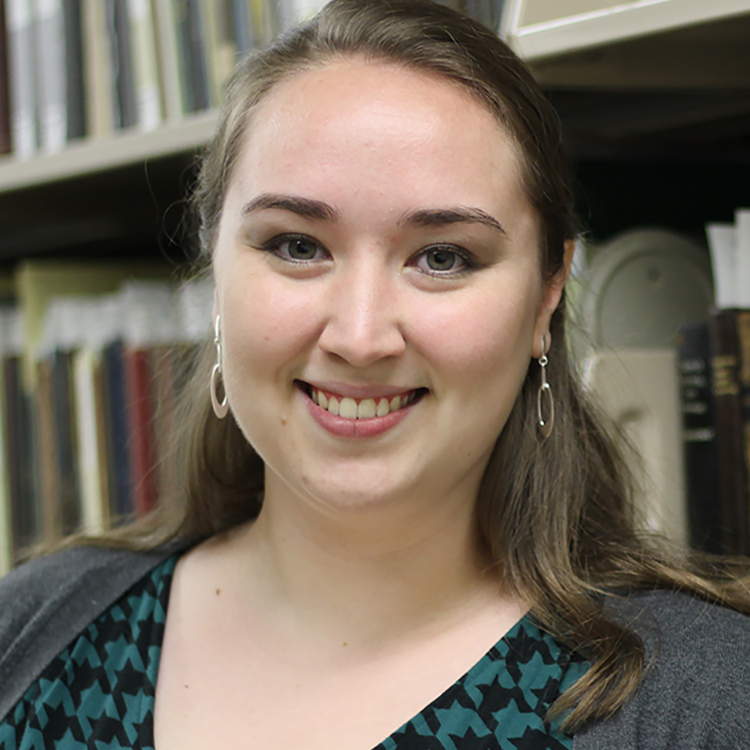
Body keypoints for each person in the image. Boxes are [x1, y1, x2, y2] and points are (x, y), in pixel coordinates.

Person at [2, 1, 750, 748]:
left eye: (442, 257)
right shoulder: (28, 633)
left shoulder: (705, 701)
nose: (360, 337)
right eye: (297, 245)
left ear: (546, 295)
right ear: (213, 269)